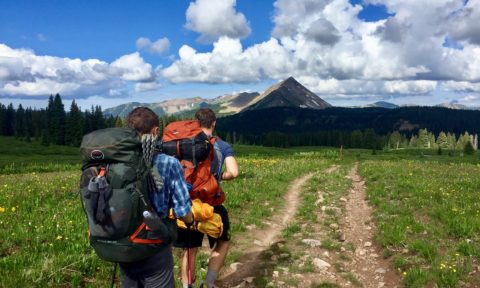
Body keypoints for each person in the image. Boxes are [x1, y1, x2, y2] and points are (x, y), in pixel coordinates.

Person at [120, 107, 194, 288]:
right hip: (154, 244)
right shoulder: (169, 163)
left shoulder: (117, 162)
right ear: (155, 131)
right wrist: (190, 222)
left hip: (123, 243)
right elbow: (182, 211)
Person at [175, 108, 239, 288]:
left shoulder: (185, 144)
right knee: (223, 241)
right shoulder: (222, 146)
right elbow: (234, 172)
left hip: (189, 205)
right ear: (214, 123)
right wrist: (218, 177)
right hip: (212, 204)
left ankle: (187, 286)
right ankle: (209, 283)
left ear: (195, 123)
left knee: (190, 249)